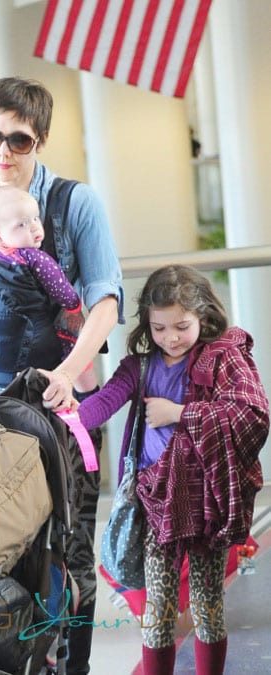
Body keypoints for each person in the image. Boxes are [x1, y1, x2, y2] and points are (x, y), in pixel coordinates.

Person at [0, 76, 124, 674]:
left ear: (41, 140)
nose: (2, 151)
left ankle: (72, 662)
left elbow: (105, 296)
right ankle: (1, 660)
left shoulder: (72, 204)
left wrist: (68, 372)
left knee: (66, 546)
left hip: (60, 397)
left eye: (18, 139)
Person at [76, 265, 269, 675]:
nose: (171, 338)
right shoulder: (139, 366)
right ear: (147, 322)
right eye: (159, 328)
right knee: (157, 609)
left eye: (181, 326)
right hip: (156, 502)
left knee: (207, 604)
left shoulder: (224, 358)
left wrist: (181, 413)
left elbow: (253, 414)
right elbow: (102, 405)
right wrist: (64, 409)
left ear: (204, 316)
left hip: (207, 503)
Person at [0, 184, 87, 369]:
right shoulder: (33, 258)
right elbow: (60, 287)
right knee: (67, 335)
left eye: (35, 218)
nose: (35, 227)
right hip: (27, 348)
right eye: (22, 224)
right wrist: (74, 307)